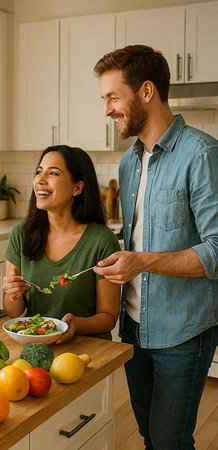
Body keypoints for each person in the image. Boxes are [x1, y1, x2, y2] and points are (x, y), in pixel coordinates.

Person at [93, 44, 218, 449]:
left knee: (170, 441)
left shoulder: (202, 154)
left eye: (113, 97)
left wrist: (141, 262)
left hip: (182, 330)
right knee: (150, 434)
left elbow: (217, 250)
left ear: (146, 91)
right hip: (132, 326)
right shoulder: (129, 161)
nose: (107, 109)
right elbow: (140, 240)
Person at [2, 145, 121, 343]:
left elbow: (108, 318)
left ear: (77, 188)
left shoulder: (102, 241)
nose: (40, 180)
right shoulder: (21, 234)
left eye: (53, 173)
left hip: (87, 348)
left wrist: (76, 324)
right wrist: (13, 295)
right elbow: (14, 313)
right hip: (36, 345)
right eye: (39, 172)